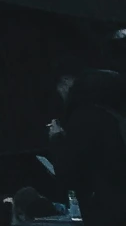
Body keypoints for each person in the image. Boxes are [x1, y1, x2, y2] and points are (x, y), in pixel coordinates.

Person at [47, 70, 126, 226]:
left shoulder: (82, 119)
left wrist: (57, 140)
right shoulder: (115, 117)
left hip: (105, 211)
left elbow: (69, 174)